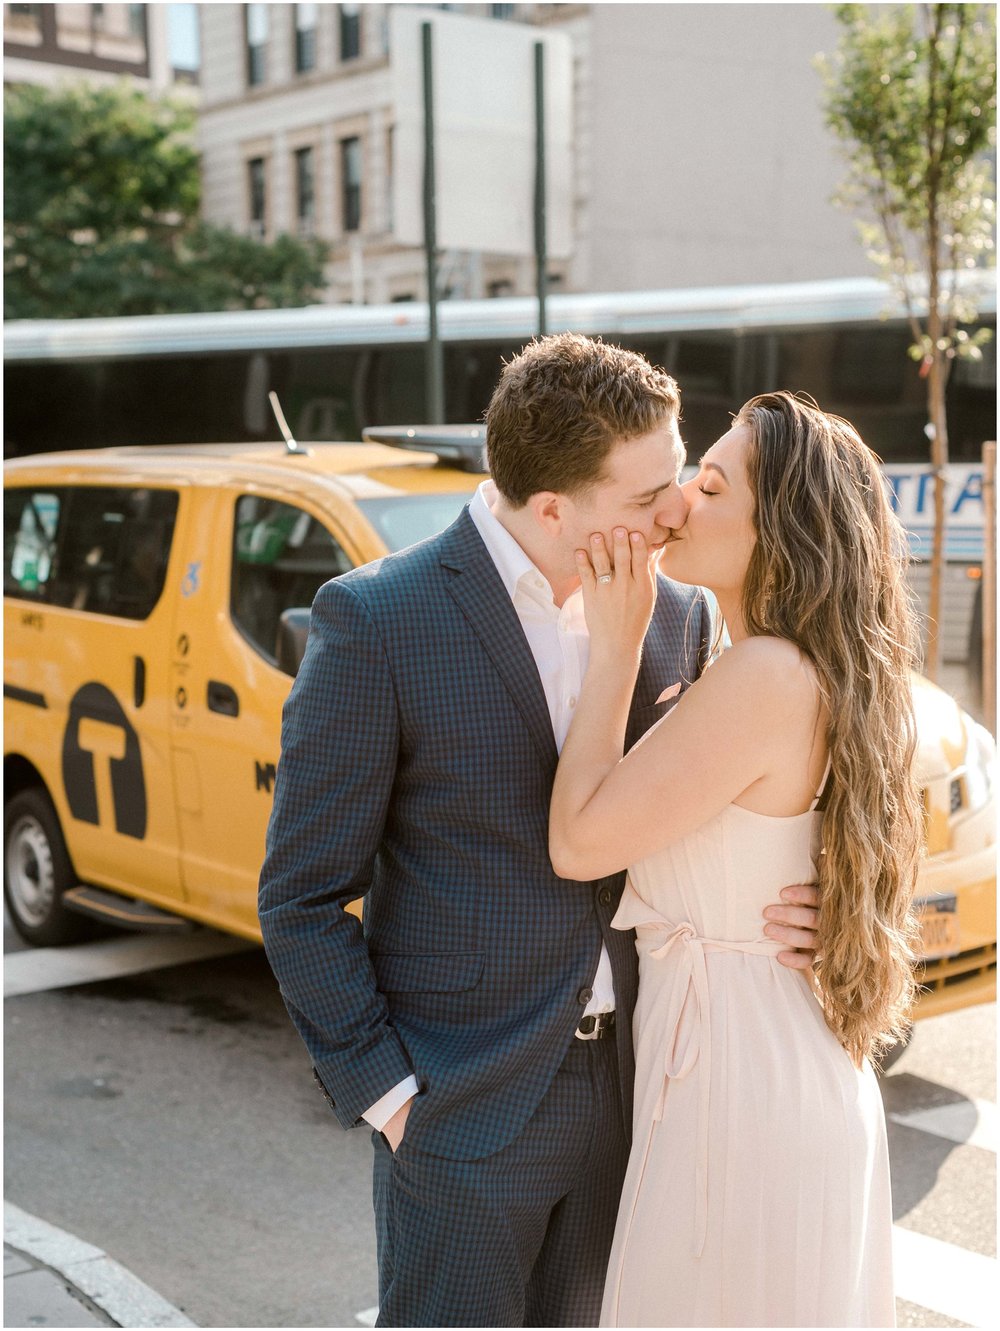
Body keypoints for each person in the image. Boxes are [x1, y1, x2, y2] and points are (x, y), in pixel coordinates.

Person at [258, 338, 820, 1329]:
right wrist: (394, 1101)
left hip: (643, 1092)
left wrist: (823, 902)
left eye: (680, 472)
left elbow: (729, 805)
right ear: (555, 507)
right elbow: (301, 897)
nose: (678, 507)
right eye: (648, 492)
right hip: (460, 1110)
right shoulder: (376, 620)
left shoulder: (678, 617)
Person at [549, 391, 922, 1328]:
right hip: (754, 1059)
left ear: (777, 534)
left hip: (743, 1087)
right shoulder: (777, 662)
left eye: (709, 486)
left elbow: (578, 840)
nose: (675, 500)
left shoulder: (764, 675)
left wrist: (616, 642)